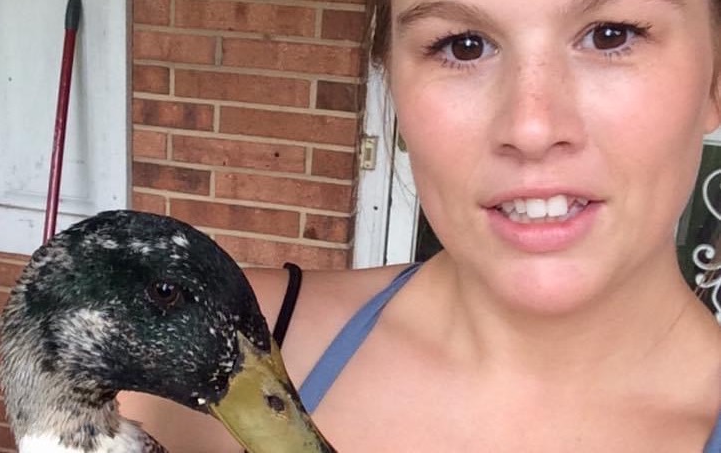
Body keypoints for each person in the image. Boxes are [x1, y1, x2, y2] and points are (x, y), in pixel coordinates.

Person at [118, 0, 721, 450]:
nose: (532, 128)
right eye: (464, 46)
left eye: (611, 35)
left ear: (715, 80)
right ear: (394, 87)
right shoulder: (199, 348)